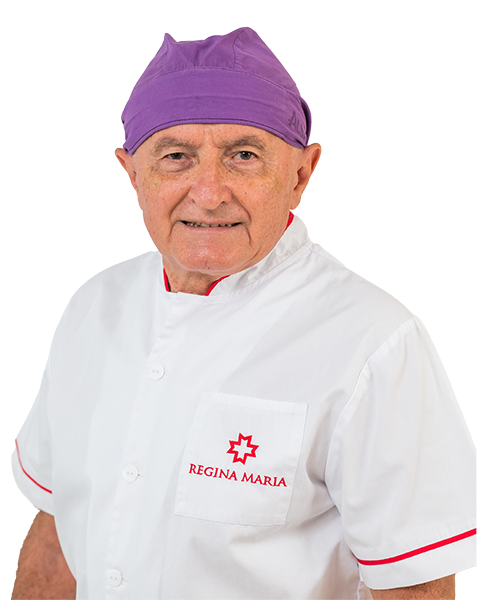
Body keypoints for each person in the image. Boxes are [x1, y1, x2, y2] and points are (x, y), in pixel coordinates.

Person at [10, 27, 476, 600]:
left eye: (244, 156)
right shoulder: (90, 311)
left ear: (301, 174)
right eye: (176, 157)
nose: (209, 193)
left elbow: (412, 588)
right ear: (132, 174)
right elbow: (58, 525)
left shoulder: (374, 342)